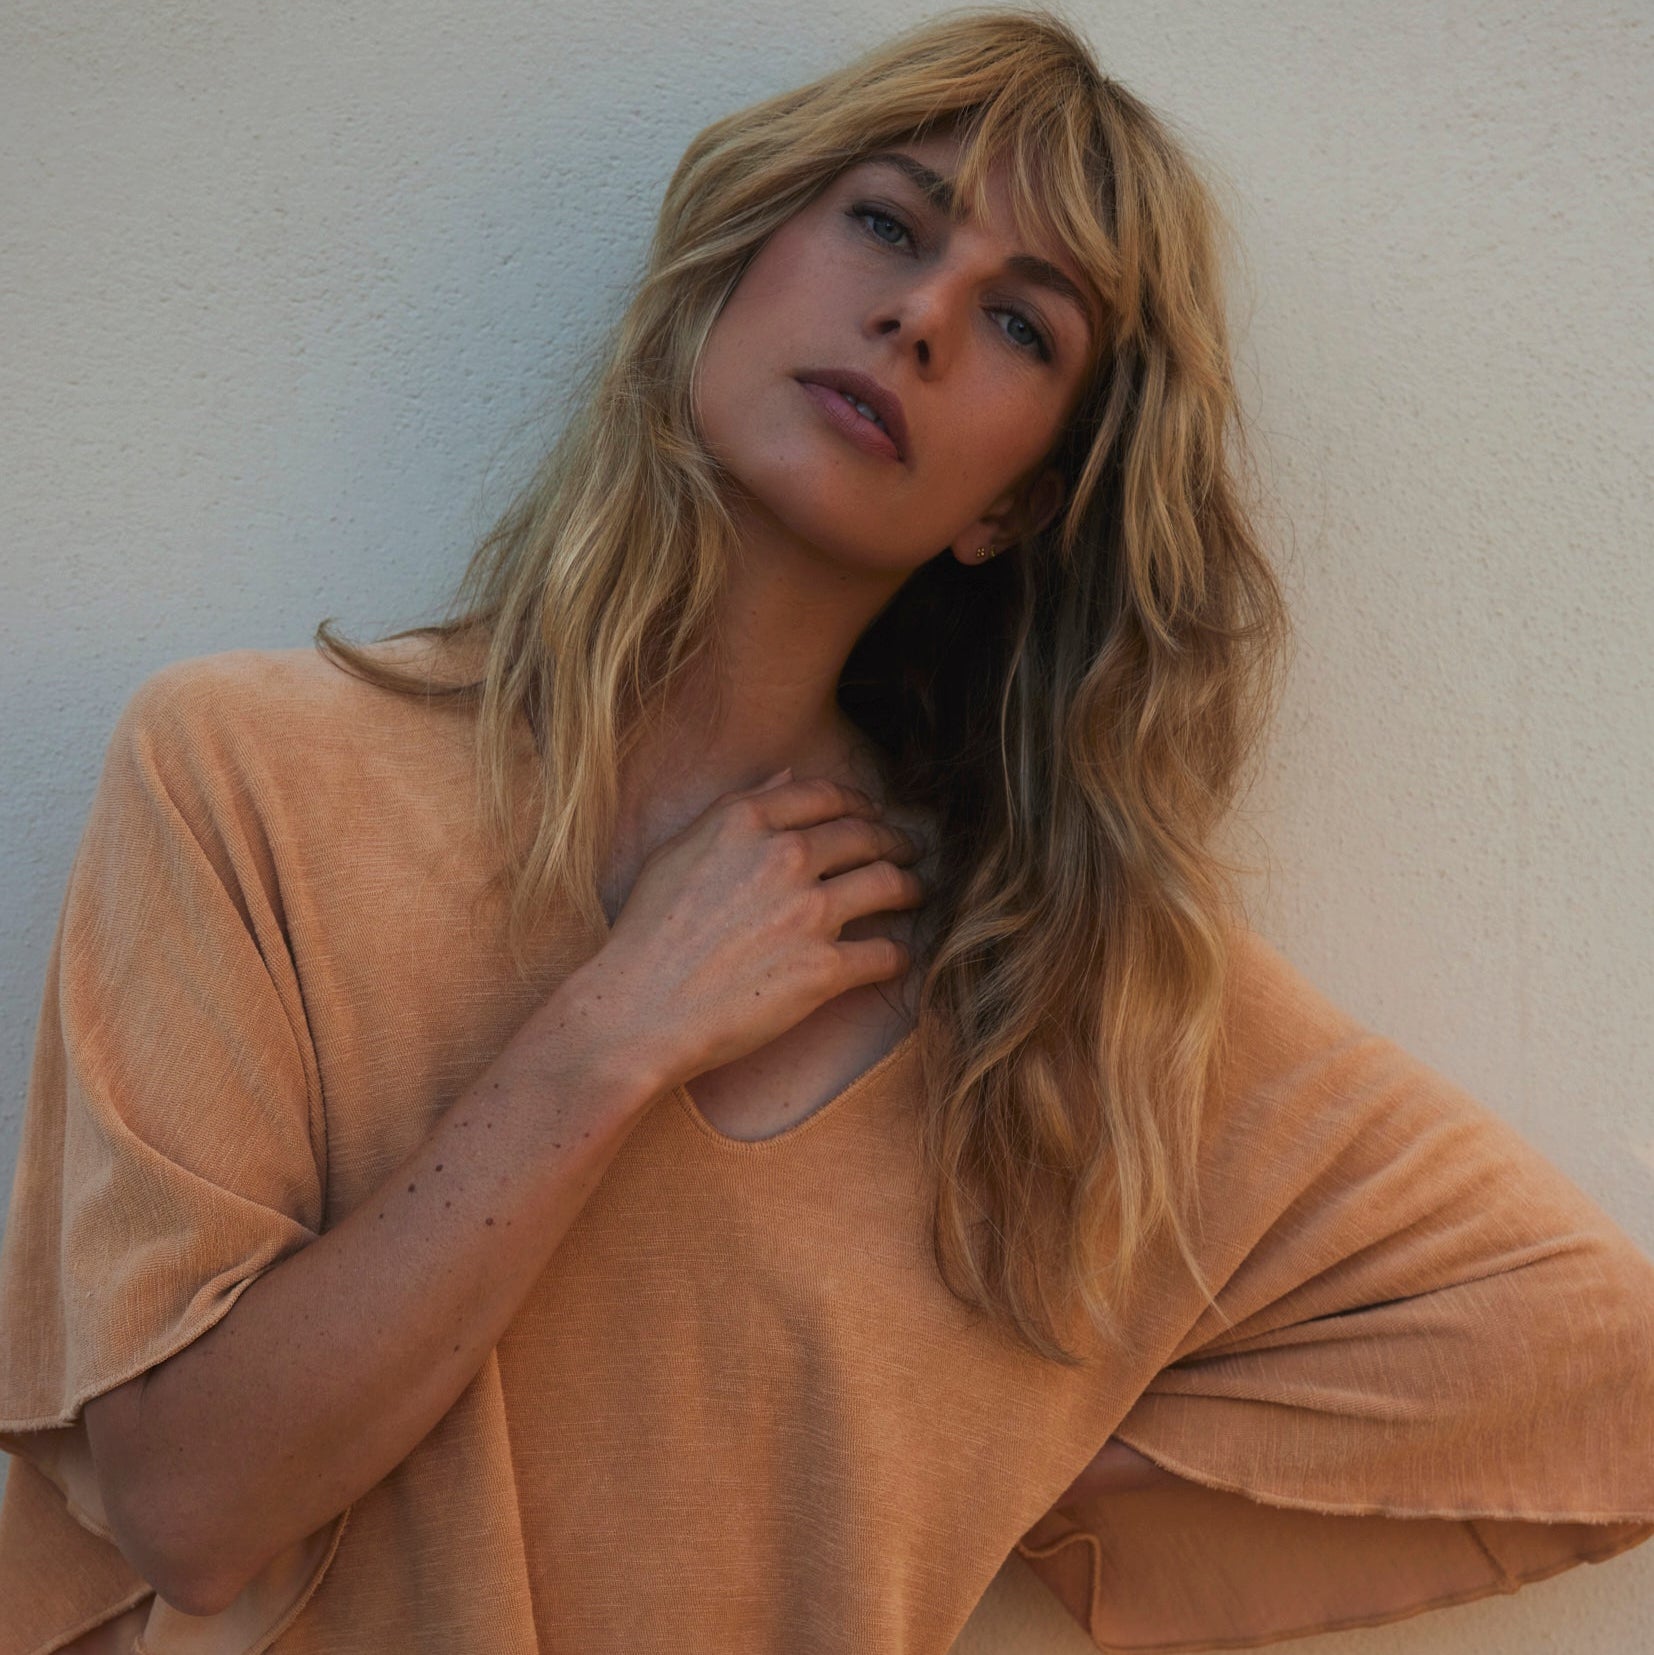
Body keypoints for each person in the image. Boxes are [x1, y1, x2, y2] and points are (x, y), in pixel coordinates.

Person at [1, 9, 1651, 1653]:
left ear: (1015, 502)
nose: (918, 315)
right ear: (732, 264)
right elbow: (186, 1506)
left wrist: (962, 1452)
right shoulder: (249, 773)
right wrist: (607, 1039)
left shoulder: (1049, 992)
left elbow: (1600, 1366)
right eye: (886, 223)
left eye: (1020, 324)